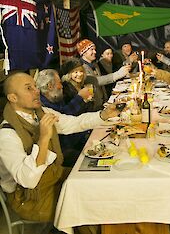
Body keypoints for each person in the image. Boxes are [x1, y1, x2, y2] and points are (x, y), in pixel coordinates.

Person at [0, 72, 119, 234]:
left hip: (53, 176)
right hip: (27, 198)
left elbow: (73, 123)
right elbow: (27, 180)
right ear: (13, 98)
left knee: (99, 180)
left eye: (35, 87)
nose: (36, 91)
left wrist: (103, 115)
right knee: (89, 198)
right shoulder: (7, 134)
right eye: (29, 88)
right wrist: (43, 139)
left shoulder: (41, 113)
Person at [36, 69, 91, 167]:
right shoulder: (43, 105)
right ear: (50, 86)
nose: (61, 86)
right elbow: (64, 116)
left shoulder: (56, 97)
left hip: (76, 138)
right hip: (63, 149)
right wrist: (79, 98)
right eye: (59, 83)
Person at [77, 39, 131, 110]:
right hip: (93, 108)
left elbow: (101, 86)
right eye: (92, 50)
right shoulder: (81, 68)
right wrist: (118, 74)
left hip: (102, 104)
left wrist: (106, 101)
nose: (95, 52)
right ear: (84, 53)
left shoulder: (94, 64)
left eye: (95, 49)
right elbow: (96, 81)